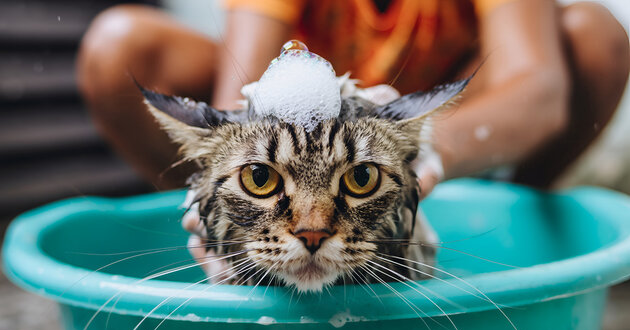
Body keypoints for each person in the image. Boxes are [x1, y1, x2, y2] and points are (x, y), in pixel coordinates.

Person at [77, 0, 629, 198]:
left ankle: (490, 216)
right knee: (119, 47)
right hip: (300, 143)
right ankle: (225, 236)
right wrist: (233, 193)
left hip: (428, 125)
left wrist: (425, 148)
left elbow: (540, 91)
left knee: (594, 38)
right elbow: (239, 109)